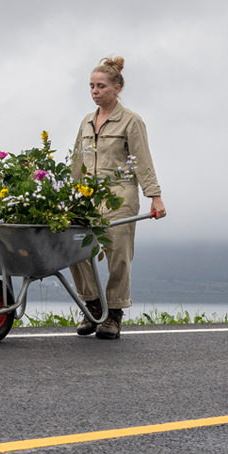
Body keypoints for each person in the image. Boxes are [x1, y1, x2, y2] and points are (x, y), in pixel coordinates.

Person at [69, 56, 166, 339]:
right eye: (91, 86)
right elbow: (77, 161)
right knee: (74, 248)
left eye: (101, 86)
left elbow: (143, 161)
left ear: (117, 88)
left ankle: (113, 314)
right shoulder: (86, 122)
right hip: (88, 195)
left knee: (118, 256)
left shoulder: (131, 121)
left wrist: (155, 196)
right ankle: (92, 306)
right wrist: (68, 196)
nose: (95, 91)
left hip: (119, 195)